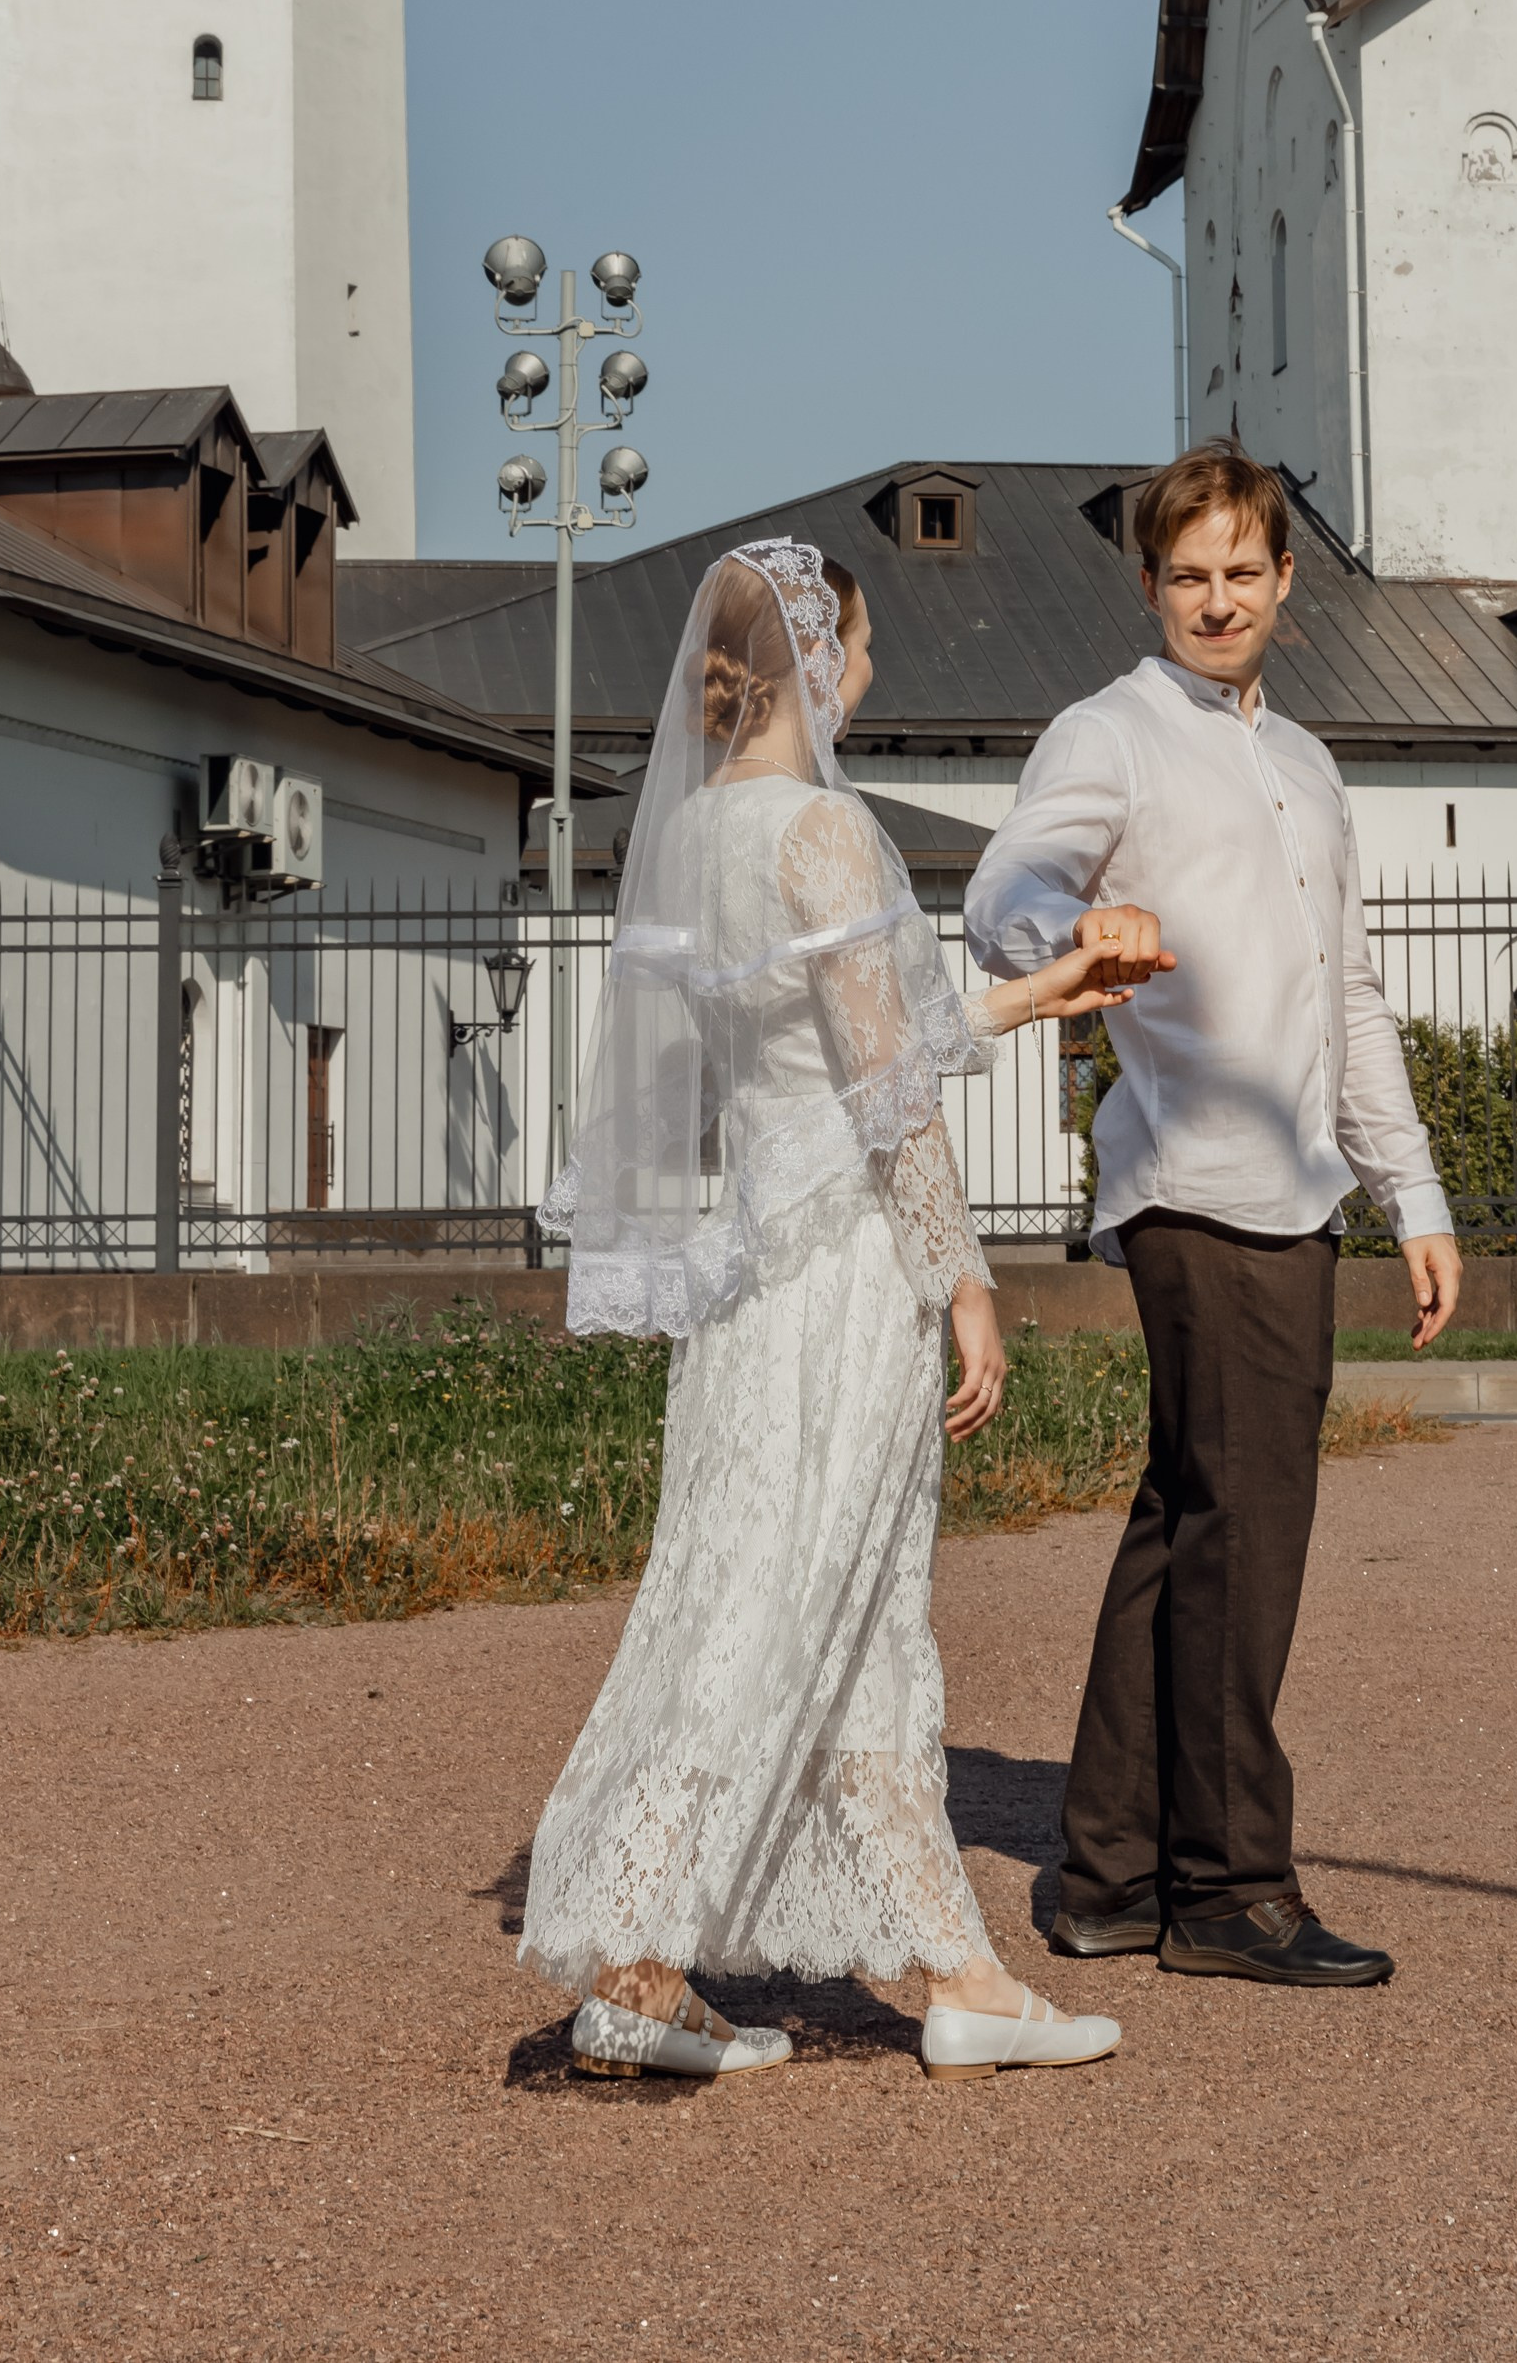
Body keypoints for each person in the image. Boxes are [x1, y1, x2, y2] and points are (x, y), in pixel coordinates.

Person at [520, 538, 1149, 2081]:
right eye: (857, 648)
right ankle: (651, 1960)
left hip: (748, 1282)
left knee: (789, 1592)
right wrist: (967, 1279)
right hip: (852, 1271)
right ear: (816, 654)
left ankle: (931, 1967)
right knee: (813, 1600)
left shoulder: (695, 841)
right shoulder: (826, 833)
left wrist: (1027, 991)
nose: (869, 674)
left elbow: (828, 1052)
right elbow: (880, 1093)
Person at [965, 448, 1461, 1987]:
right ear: (1150, 586)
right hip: (1198, 1184)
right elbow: (1006, 890)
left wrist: (1412, 1188)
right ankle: (1232, 1889)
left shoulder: (1304, 764)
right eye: (1188, 576)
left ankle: (1111, 1874)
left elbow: (1348, 994)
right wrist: (1076, 928)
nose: (1216, 599)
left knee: (1189, 1519)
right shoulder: (1107, 735)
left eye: (1241, 572)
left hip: (1296, 1184)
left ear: (1284, 583)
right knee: (1249, 1535)